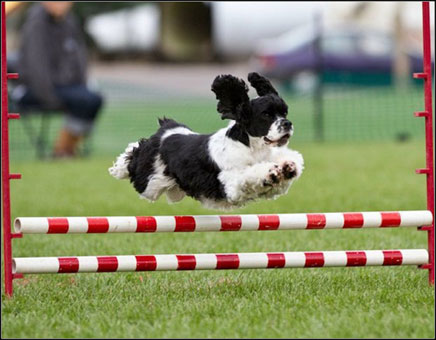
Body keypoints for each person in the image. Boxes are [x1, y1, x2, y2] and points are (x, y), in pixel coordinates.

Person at [16, 2, 103, 158]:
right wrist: (49, 98)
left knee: (94, 100)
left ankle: (67, 150)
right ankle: (62, 151)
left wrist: (82, 83)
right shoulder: (36, 24)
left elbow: (79, 58)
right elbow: (37, 66)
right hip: (36, 90)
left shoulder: (70, 21)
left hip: (67, 87)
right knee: (86, 100)